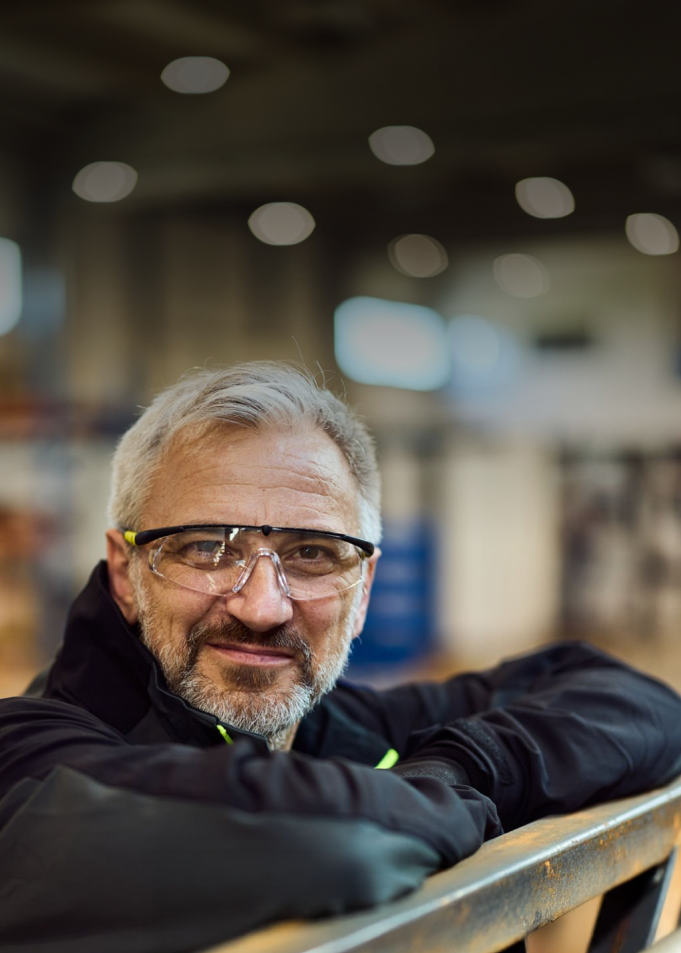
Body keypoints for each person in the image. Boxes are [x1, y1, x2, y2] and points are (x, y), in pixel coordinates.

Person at [1, 362, 680, 953]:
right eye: (207, 546)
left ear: (363, 591)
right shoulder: (27, 759)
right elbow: (327, 843)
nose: (262, 606)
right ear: (125, 571)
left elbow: (638, 703)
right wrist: (438, 802)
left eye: (311, 553)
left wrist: (464, 765)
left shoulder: (344, 730)